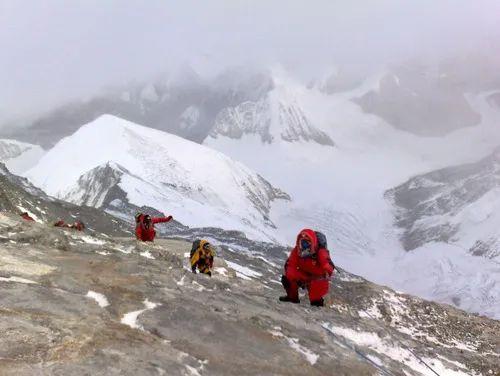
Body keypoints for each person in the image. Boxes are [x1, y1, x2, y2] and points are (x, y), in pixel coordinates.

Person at [279, 229, 334, 307]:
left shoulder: (321, 252)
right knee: (288, 278)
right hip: (305, 275)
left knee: (317, 289)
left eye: (307, 243)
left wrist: (327, 271)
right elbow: (290, 265)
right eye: (303, 243)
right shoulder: (297, 251)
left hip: (317, 279)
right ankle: (292, 297)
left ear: (312, 243)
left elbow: (327, 265)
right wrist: (297, 279)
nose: (304, 246)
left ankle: (317, 303)